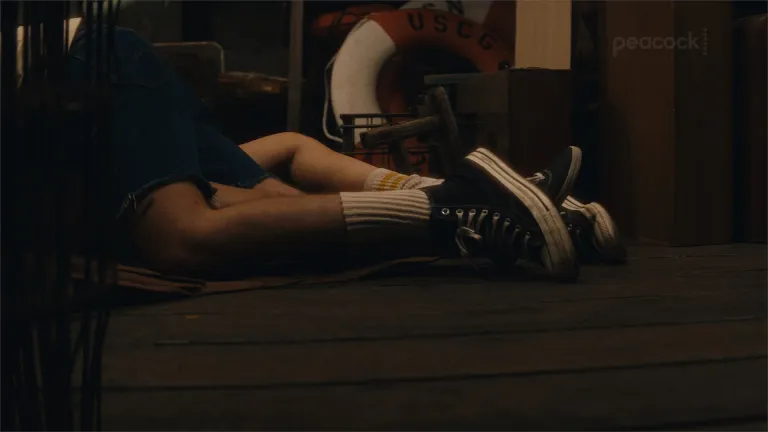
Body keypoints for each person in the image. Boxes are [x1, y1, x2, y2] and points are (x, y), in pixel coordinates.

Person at [66, 25, 625, 282]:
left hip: (88, 67)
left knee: (186, 233)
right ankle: (493, 207)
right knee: (264, 210)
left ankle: (460, 201)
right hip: (80, 130)